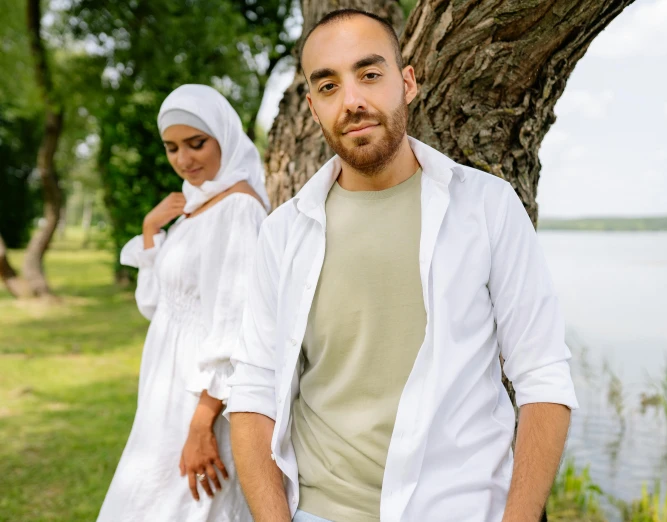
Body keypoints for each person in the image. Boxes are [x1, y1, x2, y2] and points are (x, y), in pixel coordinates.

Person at [226, 9, 578, 522]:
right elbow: (253, 389)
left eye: (370, 74)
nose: (352, 101)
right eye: (328, 86)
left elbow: (543, 374)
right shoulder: (282, 233)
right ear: (312, 106)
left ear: (407, 82)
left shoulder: (487, 207)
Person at [97, 84, 269, 522]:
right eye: (172, 148)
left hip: (202, 399)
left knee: (187, 505)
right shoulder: (195, 209)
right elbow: (157, 306)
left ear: (224, 137)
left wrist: (201, 425)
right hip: (163, 390)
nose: (184, 160)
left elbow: (238, 326)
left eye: (197, 143)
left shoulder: (238, 209)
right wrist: (151, 229)